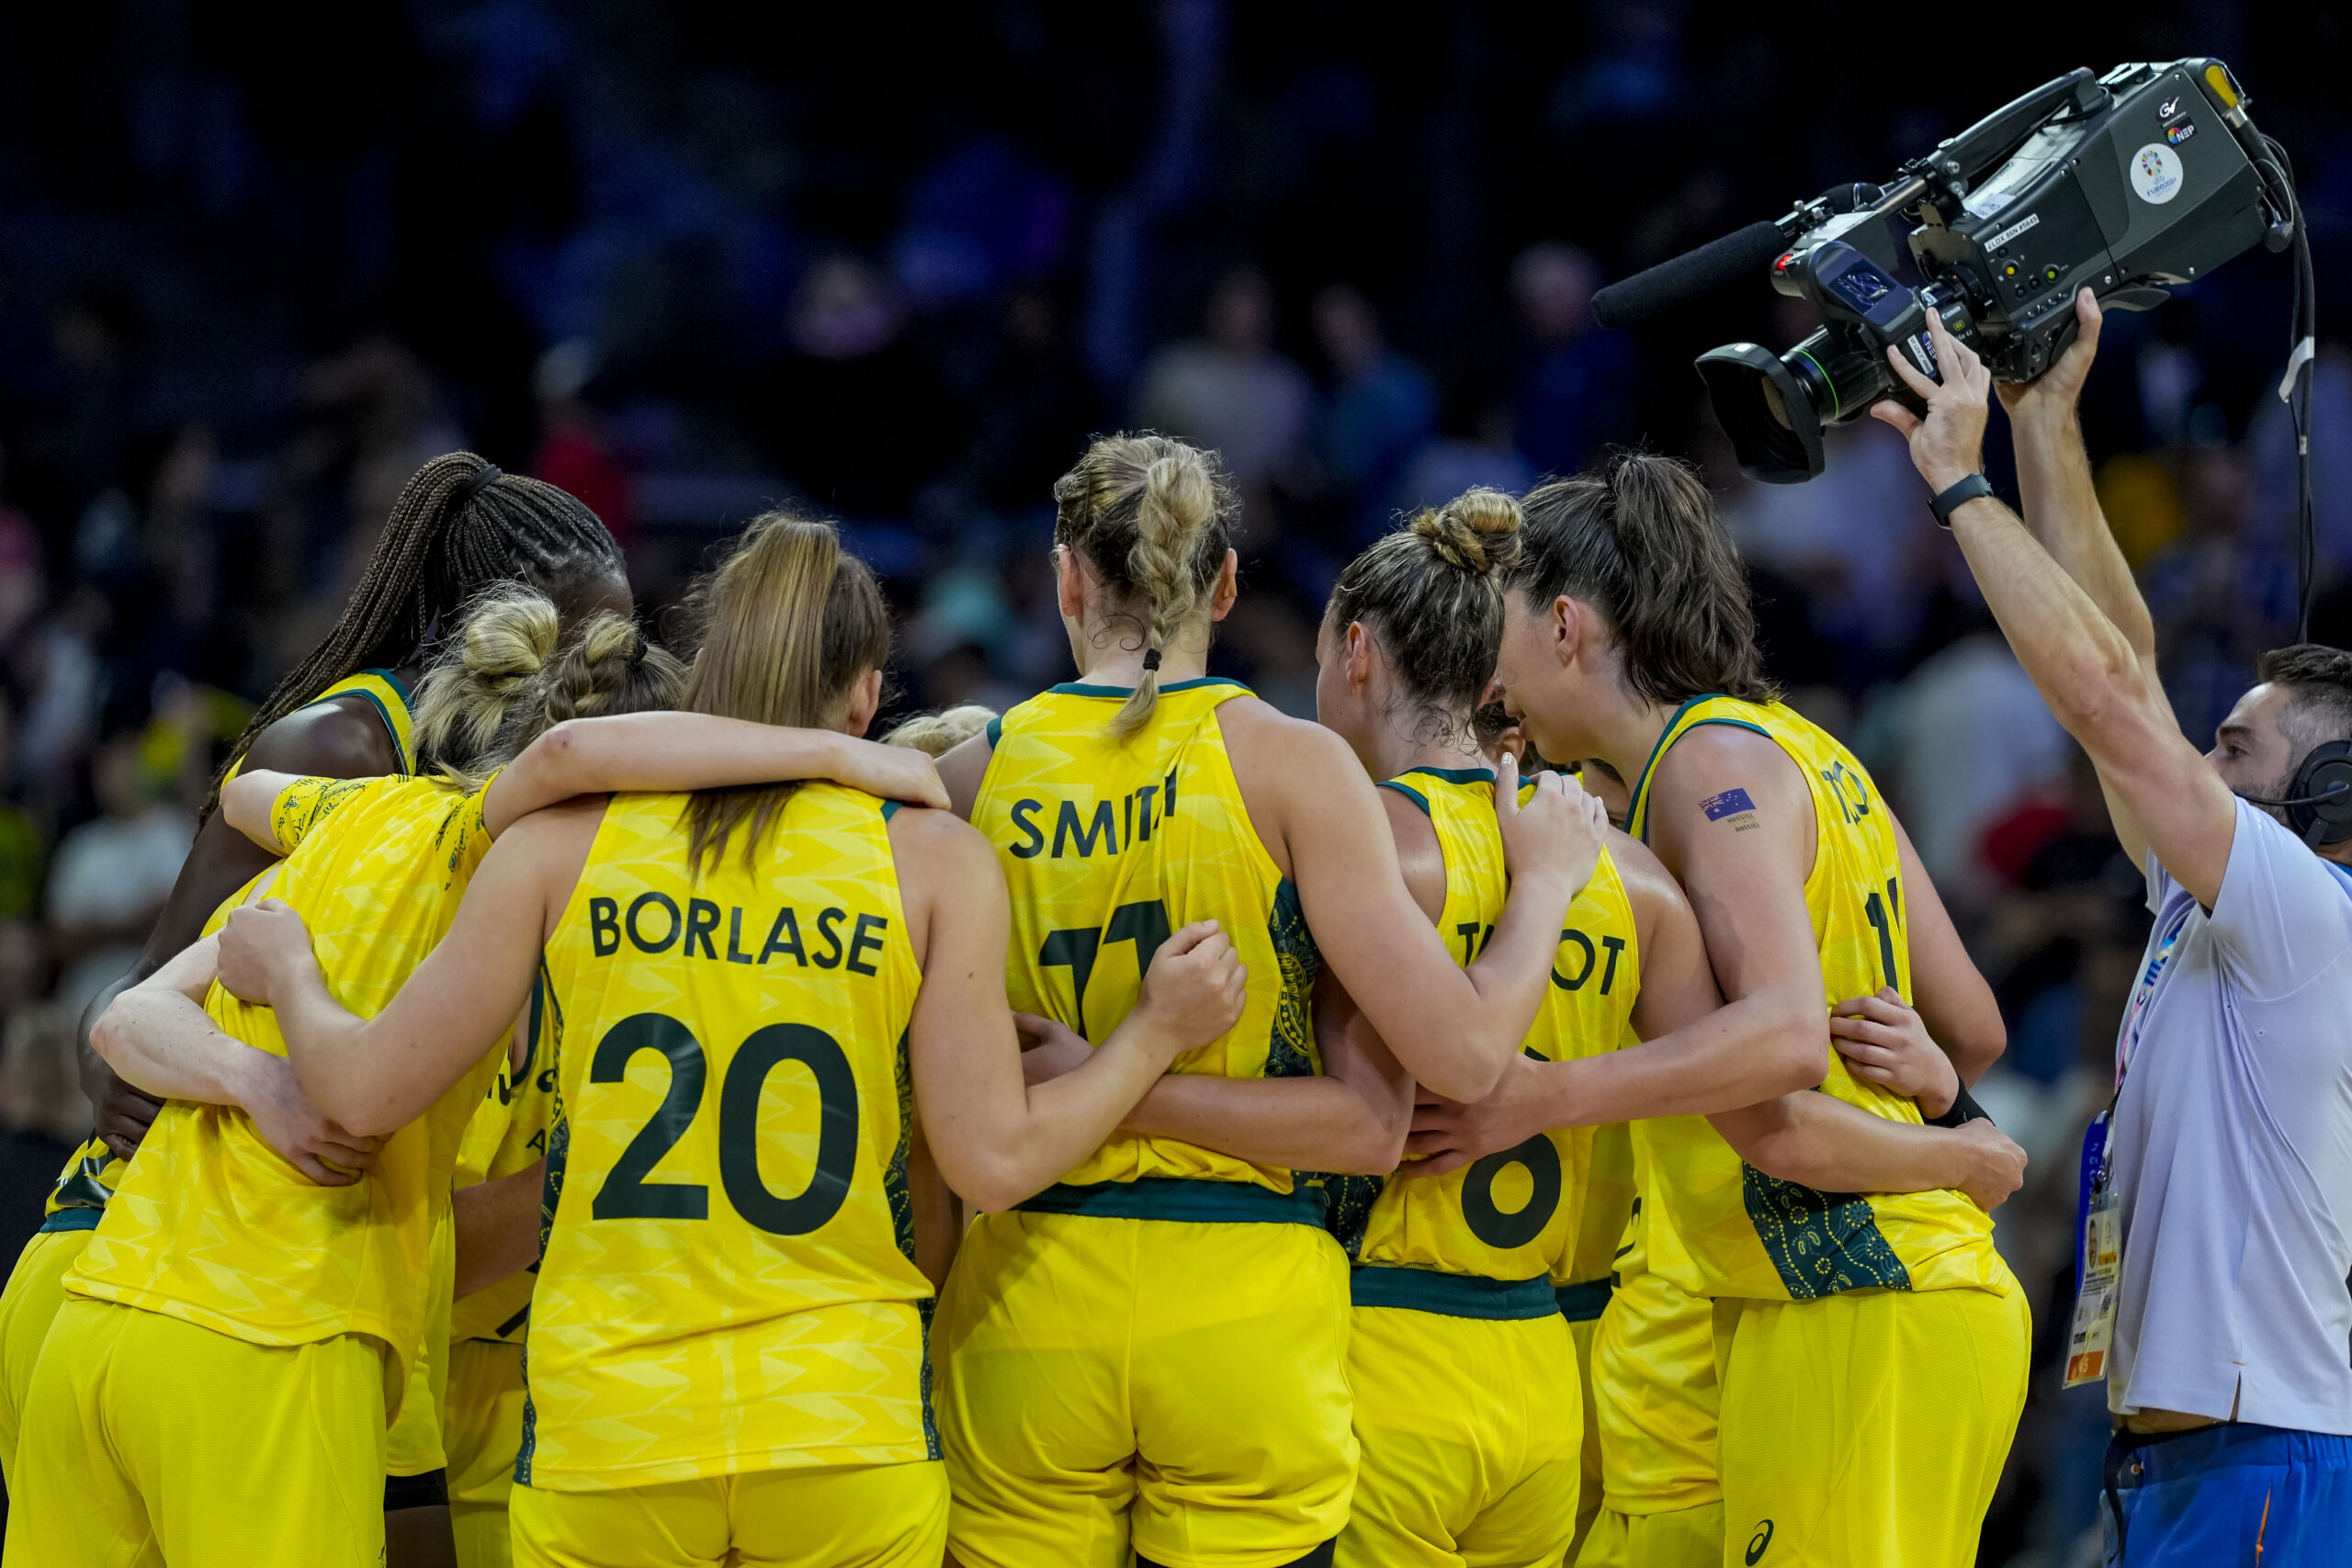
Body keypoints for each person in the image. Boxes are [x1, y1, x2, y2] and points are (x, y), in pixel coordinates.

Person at [206, 513, 1251, 1568]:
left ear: (702, 675)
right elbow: (994, 1157)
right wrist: (1150, 1034)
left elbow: (361, 1092)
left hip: (609, 1433)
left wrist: (291, 972)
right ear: (864, 696)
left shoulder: (559, 844)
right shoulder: (932, 858)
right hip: (840, 1427)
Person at [9, 583, 942, 1568]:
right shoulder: (490, 848)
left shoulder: (349, 820)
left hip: (94, 1316)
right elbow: (574, 758)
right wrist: (839, 753)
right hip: (272, 1331)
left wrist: (257, 1077)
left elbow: (129, 1008)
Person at [925, 434, 1606, 1568]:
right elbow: (1458, 1066)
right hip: (1246, 1311)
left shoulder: (970, 779)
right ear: (1227, 583)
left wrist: (1099, 1071)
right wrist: (1538, 887)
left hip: (1025, 1299)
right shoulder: (1295, 766)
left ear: (1067, 580)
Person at [19, 452, 633, 1563]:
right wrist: (263, 1085)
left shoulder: (479, 812)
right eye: (594, 646)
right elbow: (119, 1034)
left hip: (300, 1294)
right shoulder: (351, 753)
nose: (608, 675)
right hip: (162, 1274)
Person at [1455, 452, 2028, 1567]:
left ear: (1565, 626)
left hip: (1864, 1286)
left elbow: (1779, 1037)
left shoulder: (1703, 764)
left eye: (1500, 630)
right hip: (1862, 1295)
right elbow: (1973, 1028)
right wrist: (1940, 1096)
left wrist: (1546, 1095)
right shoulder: (1809, 749)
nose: (1490, 671)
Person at [1876, 291, 2352, 1565]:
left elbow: (2108, 697)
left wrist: (1958, 483)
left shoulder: (2313, 912)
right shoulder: (2227, 904)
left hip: (2269, 1456)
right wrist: (2044, 425)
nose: (2195, 759)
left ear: (2328, 798)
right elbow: (2120, 685)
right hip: (2188, 1452)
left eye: (2233, 748)